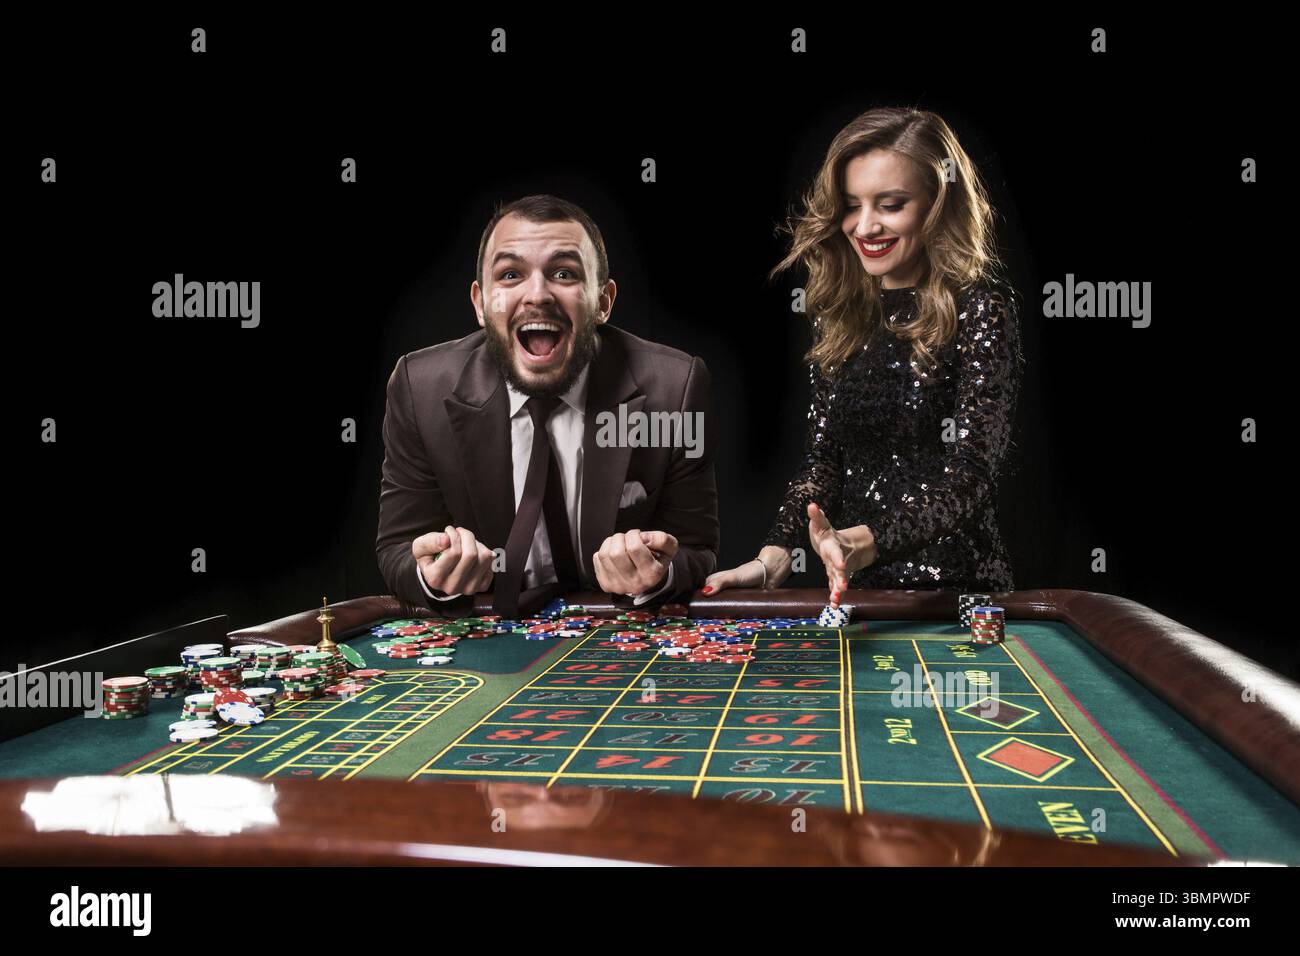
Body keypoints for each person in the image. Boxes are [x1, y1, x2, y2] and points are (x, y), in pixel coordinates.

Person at [705, 107, 1023, 602]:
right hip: (859, 594)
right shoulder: (847, 314)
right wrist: (773, 559)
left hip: (957, 594)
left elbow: (970, 477)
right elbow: (823, 461)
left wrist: (864, 541)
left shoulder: (982, 311)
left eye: (890, 204)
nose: (865, 226)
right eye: (852, 205)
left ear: (938, 204)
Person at [376, 195, 718, 616]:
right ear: (480, 304)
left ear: (603, 301)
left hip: (612, 642)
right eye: (510, 274)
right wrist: (433, 578)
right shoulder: (419, 388)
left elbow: (698, 548)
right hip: (489, 647)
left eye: (563, 273)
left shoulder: (675, 388)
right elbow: (397, 548)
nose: (537, 294)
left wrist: (658, 573)